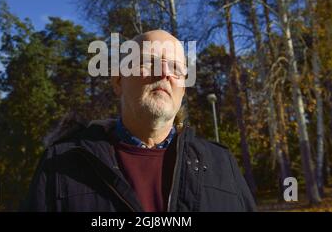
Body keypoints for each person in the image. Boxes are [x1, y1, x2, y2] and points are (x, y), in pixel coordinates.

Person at [24, 30, 256, 212]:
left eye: (176, 68)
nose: (164, 73)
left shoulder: (222, 163)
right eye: (149, 62)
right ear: (118, 81)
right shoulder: (62, 163)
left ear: (183, 89)